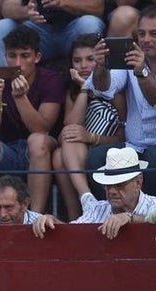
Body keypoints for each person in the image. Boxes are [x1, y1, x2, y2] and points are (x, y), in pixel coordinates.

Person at [0, 24, 63, 222]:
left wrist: (20, 99)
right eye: (12, 55)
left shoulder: (51, 81)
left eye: (25, 56)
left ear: (37, 57)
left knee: (37, 141)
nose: (18, 62)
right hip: (7, 150)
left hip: (39, 150)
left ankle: (34, 216)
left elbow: (42, 128)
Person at [85, 9, 156, 196]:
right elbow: (103, 88)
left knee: (154, 160)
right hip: (133, 146)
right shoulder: (130, 57)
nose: (146, 39)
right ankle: (108, 215)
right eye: (142, 34)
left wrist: (142, 72)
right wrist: (101, 66)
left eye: (153, 34)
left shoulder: (138, 64)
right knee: (95, 159)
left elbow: (154, 100)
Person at [54, 34, 124, 219]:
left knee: (63, 152)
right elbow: (70, 126)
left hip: (109, 147)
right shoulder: (74, 91)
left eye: (90, 59)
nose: (83, 65)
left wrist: (92, 138)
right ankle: (82, 208)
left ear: (100, 60)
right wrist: (85, 88)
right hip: (79, 150)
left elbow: (125, 136)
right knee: (59, 153)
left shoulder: (115, 89)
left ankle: (84, 206)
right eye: (77, 60)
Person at [33, 146, 156, 239]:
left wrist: (130, 217)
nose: (112, 191)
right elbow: (73, 231)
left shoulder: (153, 204)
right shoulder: (97, 210)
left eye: (119, 185)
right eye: (108, 185)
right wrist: (53, 221)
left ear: (138, 183)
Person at [0, 0, 103, 67]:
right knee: (3, 26)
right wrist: (26, 11)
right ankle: (11, 84)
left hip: (73, 30)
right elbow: (6, 8)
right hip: (39, 32)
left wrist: (63, 2)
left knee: (90, 23)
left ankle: (91, 87)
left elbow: (98, 8)